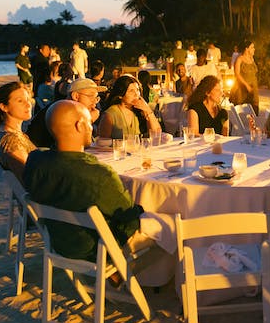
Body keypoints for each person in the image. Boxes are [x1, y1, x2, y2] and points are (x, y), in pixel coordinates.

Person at [22, 100, 175, 277]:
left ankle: (122, 274)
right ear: (79, 125)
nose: (92, 128)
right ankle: (143, 276)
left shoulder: (35, 161)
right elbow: (130, 217)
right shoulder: (98, 174)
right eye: (89, 122)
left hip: (60, 243)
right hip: (96, 249)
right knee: (171, 226)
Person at [27, 77, 105, 148]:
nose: (95, 102)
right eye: (91, 96)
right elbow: (71, 146)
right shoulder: (59, 112)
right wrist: (88, 121)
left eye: (96, 98)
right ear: (75, 96)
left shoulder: (77, 112)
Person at [0, 82, 37, 182]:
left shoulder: (15, 133)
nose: (28, 104)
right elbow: (29, 178)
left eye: (28, 99)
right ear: (4, 107)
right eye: (20, 101)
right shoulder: (11, 142)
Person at [99, 75, 161, 139]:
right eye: (131, 91)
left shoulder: (139, 111)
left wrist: (148, 111)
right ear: (120, 95)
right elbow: (103, 143)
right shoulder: (110, 115)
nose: (136, 94)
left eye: (137, 90)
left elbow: (157, 134)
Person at [230, 40, 259, 114]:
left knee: (254, 110)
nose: (254, 49)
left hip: (253, 88)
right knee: (241, 111)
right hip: (242, 89)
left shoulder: (252, 59)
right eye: (252, 47)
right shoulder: (239, 59)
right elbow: (237, 74)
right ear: (246, 49)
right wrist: (246, 85)